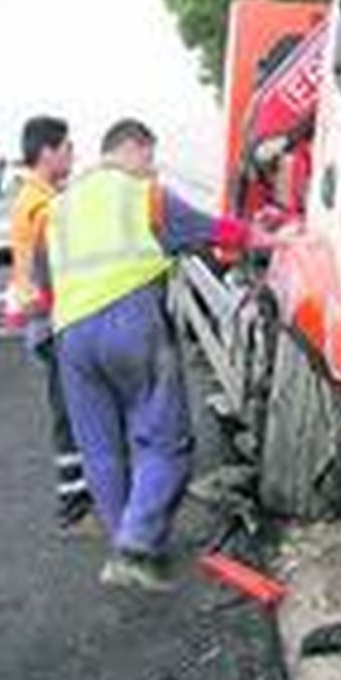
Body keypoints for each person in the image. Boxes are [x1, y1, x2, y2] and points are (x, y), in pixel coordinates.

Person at [49, 118, 264, 590]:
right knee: (165, 440)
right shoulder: (141, 194)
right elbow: (209, 230)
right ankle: (135, 547)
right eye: (149, 158)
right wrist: (265, 237)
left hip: (71, 335)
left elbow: (47, 280)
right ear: (132, 148)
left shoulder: (61, 206)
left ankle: (127, 544)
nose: (152, 168)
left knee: (100, 449)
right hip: (129, 319)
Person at [10, 115, 93, 531]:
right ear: (47, 152)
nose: (73, 155)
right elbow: (57, 268)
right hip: (52, 321)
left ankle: (82, 499)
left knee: (74, 412)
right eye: (67, 148)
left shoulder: (39, 196)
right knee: (70, 416)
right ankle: (74, 510)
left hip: (46, 320)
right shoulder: (42, 204)